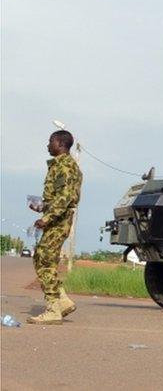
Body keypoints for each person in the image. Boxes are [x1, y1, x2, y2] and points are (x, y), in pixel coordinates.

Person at [28, 130, 83, 325]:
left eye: (50, 141)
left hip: (58, 221)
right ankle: (62, 300)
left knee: (44, 260)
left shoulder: (66, 166)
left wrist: (47, 217)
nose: (47, 144)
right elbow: (59, 197)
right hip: (56, 219)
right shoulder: (60, 166)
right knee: (43, 260)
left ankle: (53, 308)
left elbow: (66, 197)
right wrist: (41, 208)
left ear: (60, 144)